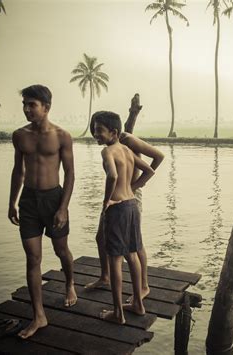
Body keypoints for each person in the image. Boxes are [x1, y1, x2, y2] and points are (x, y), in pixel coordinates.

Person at [8, 84, 77, 339]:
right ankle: (39, 316)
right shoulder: (19, 135)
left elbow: (69, 173)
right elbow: (18, 170)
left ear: (46, 107)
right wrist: (11, 202)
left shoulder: (62, 136)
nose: (27, 109)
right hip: (28, 200)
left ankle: (70, 283)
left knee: (61, 250)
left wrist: (63, 208)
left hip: (53, 198)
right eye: (24, 104)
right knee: (33, 258)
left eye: (32, 104)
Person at [85, 112, 164, 305]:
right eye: (94, 129)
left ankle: (144, 286)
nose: (95, 133)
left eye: (98, 129)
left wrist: (135, 185)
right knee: (101, 237)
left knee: (134, 245)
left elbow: (158, 156)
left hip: (129, 193)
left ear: (113, 131)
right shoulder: (112, 146)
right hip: (119, 195)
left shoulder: (126, 139)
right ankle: (105, 277)